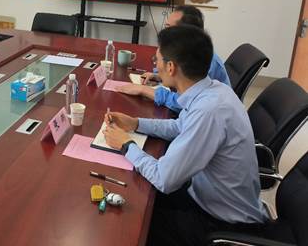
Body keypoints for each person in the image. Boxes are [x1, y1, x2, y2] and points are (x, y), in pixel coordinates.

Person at [103, 25, 267, 246]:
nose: (155, 65)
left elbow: (164, 179)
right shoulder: (213, 90)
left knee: (126, 222)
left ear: (171, 67)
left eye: (157, 59)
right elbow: (180, 126)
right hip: (205, 196)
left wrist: (126, 144)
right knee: (132, 194)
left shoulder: (210, 111)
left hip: (221, 223)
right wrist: (136, 123)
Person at [119, 5, 231, 113]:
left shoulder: (203, 61)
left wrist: (143, 90)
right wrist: (159, 76)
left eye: (168, 28)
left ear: (184, 34)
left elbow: (183, 104)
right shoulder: (190, 52)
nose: (164, 32)